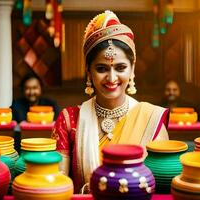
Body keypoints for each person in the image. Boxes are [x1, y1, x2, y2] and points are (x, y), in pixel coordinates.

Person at [51, 11, 169, 193]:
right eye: (101, 68)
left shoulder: (151, 120)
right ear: (88, 72)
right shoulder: (69, 120)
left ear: (132, 69)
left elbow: (160, 190)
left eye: (121, 67)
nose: (112, 78)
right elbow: (57, 189)